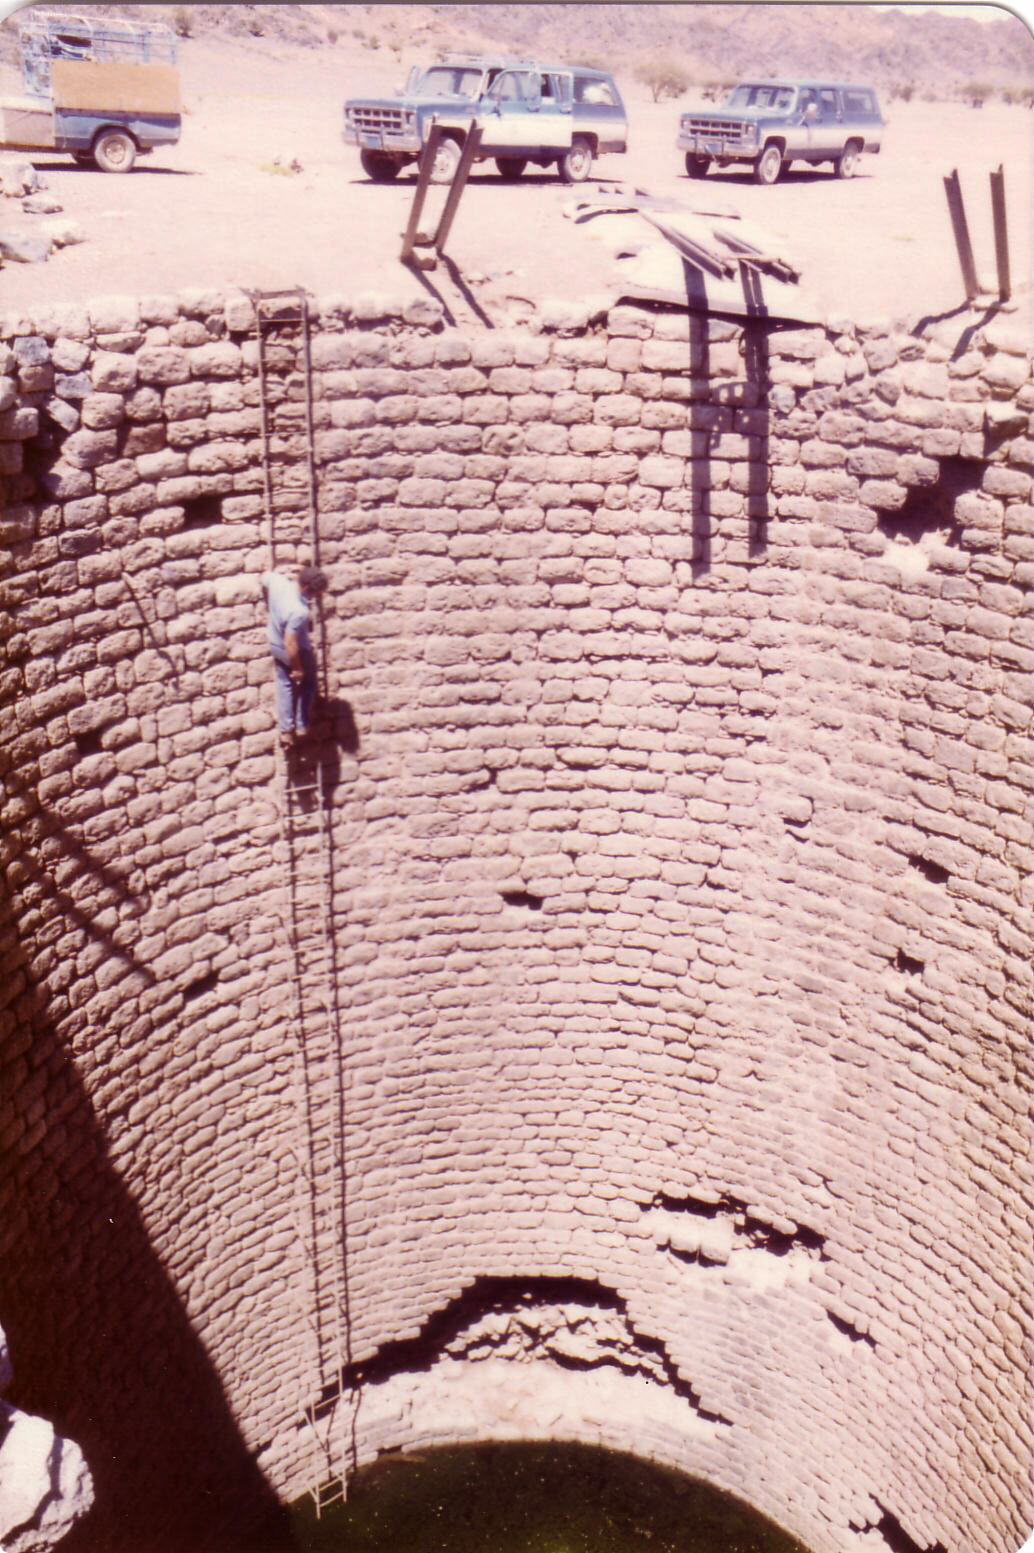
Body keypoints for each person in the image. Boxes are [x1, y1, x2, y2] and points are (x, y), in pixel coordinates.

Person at [261, 565, 327, 749]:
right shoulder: (299, 611)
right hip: (295, 650)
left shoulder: (278, 582)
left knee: (284, 684)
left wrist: (300, 569)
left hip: (275, 644)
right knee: (309, 683)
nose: (315, 597)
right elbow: (291, 642)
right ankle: (301, 724)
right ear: (307, 589)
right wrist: (298, 668)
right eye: (315, 594)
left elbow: (264, 576)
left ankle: (285, 731)